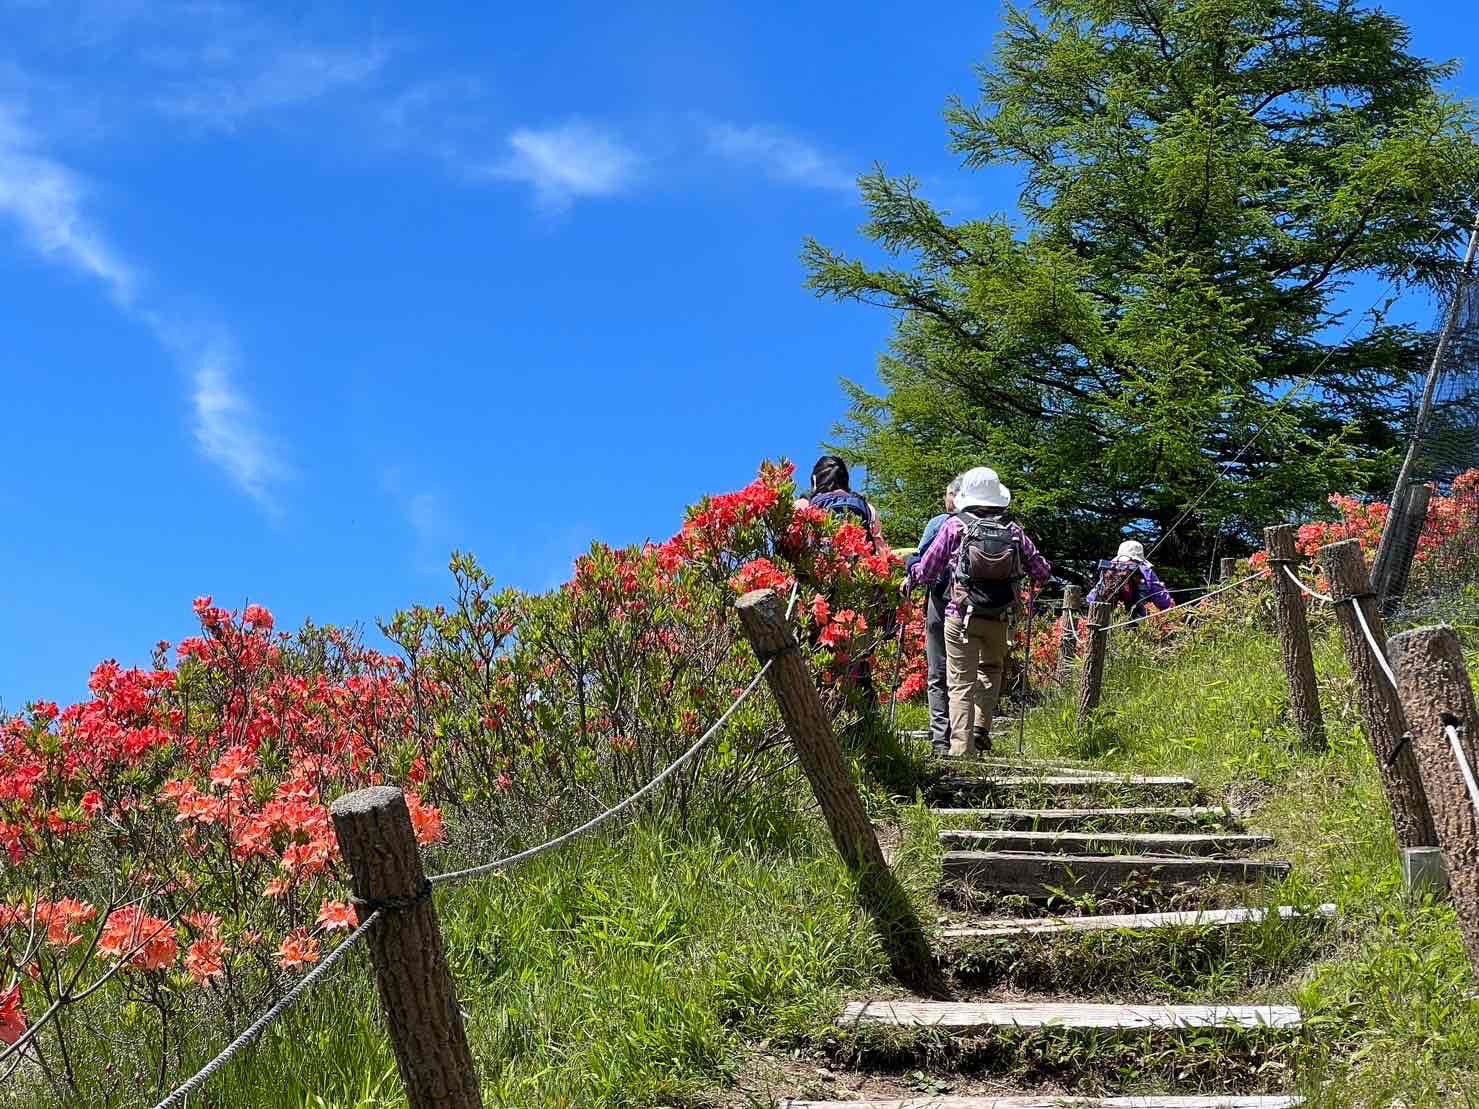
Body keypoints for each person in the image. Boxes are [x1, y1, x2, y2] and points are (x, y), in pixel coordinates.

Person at [904, 467, 1050, 757]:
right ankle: (982, 726)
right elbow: (1042, 570)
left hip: (961, 614)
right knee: (991, 669)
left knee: (959, 682)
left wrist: (911, 574)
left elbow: (929, 569)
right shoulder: (1013, 530)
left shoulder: (955, 525)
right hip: (1001, 616)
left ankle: (961, 750)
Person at [906, 476, 962, 756]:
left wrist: (911, 570)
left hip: (942, 602)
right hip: (982, 608)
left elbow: (923, 561)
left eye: (948, 494)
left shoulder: (941, 523)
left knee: (938, 670)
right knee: (968, 672)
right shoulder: (997, 525)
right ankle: (966, 739)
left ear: (954, 496)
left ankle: (941, 740)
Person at [795, 456, 887, 551]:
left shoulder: (803, 505)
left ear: (814, 480)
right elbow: (880, 549)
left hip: (818, 564)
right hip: (857, 563)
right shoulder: (868, 508)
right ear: (846, 479)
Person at [1087, 540, 1174, 618]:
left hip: (1107, 619)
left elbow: (1091, 598)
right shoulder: (1145, 570)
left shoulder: (1109, 569)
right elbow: (1162, 599)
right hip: (1136, 622)